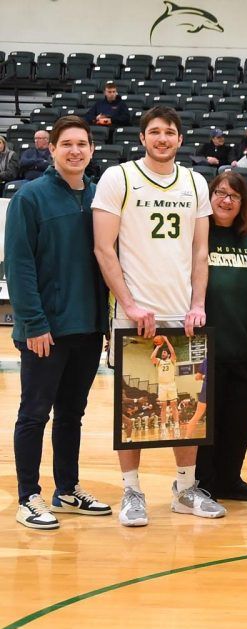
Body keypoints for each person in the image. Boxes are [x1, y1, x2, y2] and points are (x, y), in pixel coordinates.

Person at [92, 106, 223, 526]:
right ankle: (132, 491)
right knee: (132, 408)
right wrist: (129, 304)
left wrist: (198, 303)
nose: (162, 139)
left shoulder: (195, 181)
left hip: (183, 312)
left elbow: (200, 251)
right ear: (142, 138)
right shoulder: (120, 177)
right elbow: (103, 248)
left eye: (170, 132)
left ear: (180, 140)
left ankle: (185, 489)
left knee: (185, 404)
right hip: (136, 312)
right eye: (154, 132)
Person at [7, 115, 109, 530]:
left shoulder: (101, 197)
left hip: (88, 327)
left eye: (82, 144)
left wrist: (104, 326)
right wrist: (33, 323)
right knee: (34, 414)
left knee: (72, 414)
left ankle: (66, 489)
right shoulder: (30, 198)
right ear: (51, 149)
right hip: (45, 329)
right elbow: (19, 265)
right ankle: (28, 496)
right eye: (66, 143)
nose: (75, 150)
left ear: (91, 150)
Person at [197, 171, 247, 501]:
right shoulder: (197, 236)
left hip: (246, 349)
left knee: (240, 421)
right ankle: (203, 483)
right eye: (220, 193)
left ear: (242, 203)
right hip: (205, 349)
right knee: (205, 422)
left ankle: (229, 478)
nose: (225, 200)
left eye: (233, 196)